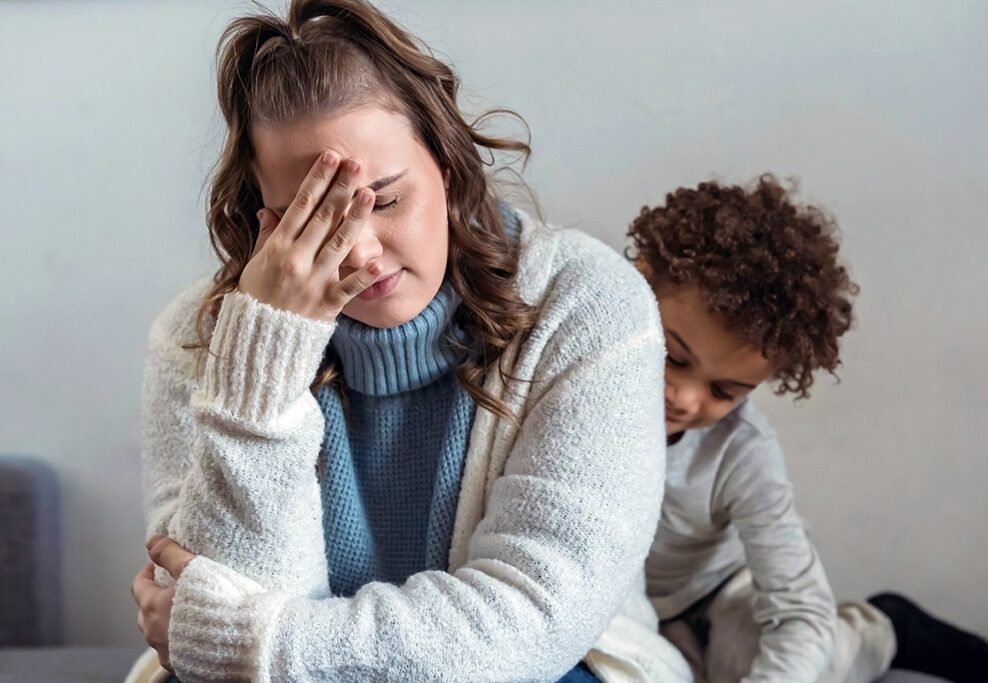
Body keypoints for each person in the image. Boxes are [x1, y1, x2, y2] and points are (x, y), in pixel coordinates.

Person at [126, 1, 690, 681]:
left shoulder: (587, 305)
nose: (360, 254)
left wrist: (261, 643)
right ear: (266, 218)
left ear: (447, 167)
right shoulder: (197, 338)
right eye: (313, 219)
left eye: (386, 201)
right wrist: (265, 356)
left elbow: (527, 623)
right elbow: (216, 626)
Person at [628, 175, 988, 683]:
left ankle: (883, 628)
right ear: (637, 280)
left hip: (721, 590)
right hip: (630, 607)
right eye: (674, 357)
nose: (684, 397)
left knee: (780, 661)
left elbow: (799, 608)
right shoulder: (575, 381)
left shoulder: (741, 453)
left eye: (724, 391)